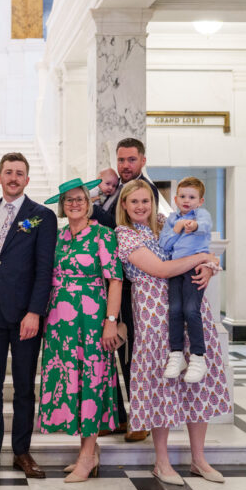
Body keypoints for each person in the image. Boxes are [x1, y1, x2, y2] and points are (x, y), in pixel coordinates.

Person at [115, 180, 230, 486]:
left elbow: (202, 246)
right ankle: (162, 462)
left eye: (146, 201)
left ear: (154, 203)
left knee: (198, 381)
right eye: (134, 202)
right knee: (159, 381)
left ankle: (199, 459)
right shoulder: (124, 234)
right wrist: (204, 261)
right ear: (124, 205)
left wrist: (211, 264)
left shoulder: (170, 223)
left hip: (188, 304)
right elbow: (161, 270)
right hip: (152, 310)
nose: (141, 207)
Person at [0, 153, 56, 479]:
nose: (13, 177)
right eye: (8, 172)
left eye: (19, 173)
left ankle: (22, 451)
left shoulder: (40, 217)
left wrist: (35, 311)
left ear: (27, 179)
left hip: (25, 315)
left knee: (24, 387)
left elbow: (44, 269)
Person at [38, 178, 123, 483]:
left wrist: (110, 321)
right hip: (60, 321)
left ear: (89, 204)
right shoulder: (57, 237)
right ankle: (89, 451)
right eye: (69, 200)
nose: (74, 204)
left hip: (92, 319)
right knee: (71, 380)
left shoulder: (102, 235)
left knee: (92, 380)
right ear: (62, 206)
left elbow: (115, 279)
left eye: (80, 199)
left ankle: (87, 457)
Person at [91, 138, 158, 443]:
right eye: (121, 160)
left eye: (131, 160)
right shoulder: (115, 188)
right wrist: (100, 191)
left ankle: (140, 417)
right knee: (110, 352)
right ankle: (117, 416)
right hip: (107, 283)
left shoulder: (143, 192)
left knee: (133, 353)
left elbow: (114, 225)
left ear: (142, 160)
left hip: (134, 287)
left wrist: (89, 203)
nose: (125, 166)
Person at [159, 177, 214, 383]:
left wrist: (193, 224)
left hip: (193, 270)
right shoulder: (172, 219)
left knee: (191, 310)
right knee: (174, 310)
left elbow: (205, 226)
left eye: (191, 197)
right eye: (182, 196)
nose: (186, 200)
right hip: (175, 270)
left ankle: (198, 357)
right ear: (175, 198)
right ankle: (176, 354)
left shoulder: (201, 215)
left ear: (200, 201)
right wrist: (176, 229)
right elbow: (164, 245)